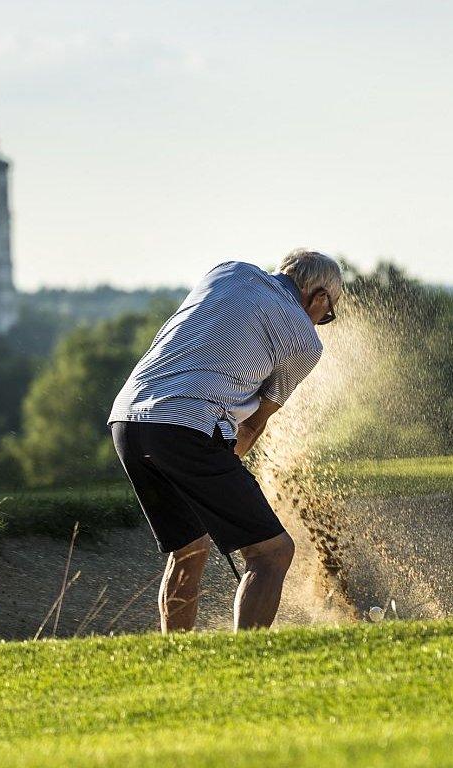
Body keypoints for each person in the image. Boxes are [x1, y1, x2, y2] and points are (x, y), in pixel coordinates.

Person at [108, 249, 342, 631]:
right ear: (318, 297)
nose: (320, 322)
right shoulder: (305, 342)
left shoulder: (229, 271)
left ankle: (177, 661)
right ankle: (244, 664)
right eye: (326, 314)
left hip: (128, 418)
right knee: (272, 554)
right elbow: (252, 426)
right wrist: (220, 473)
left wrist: (207, 480)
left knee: (190, 551)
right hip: (187, 425)